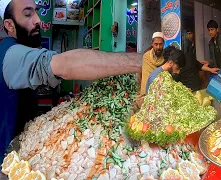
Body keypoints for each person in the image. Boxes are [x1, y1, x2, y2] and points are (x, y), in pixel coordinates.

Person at [0, 0, 141, 164]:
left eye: (36, 12)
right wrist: (141, 61)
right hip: (6, 161)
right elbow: (66, 66)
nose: (38, 20)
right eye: (27, 14)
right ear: (9, 25)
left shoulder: (14, 49)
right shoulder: (11, 54)